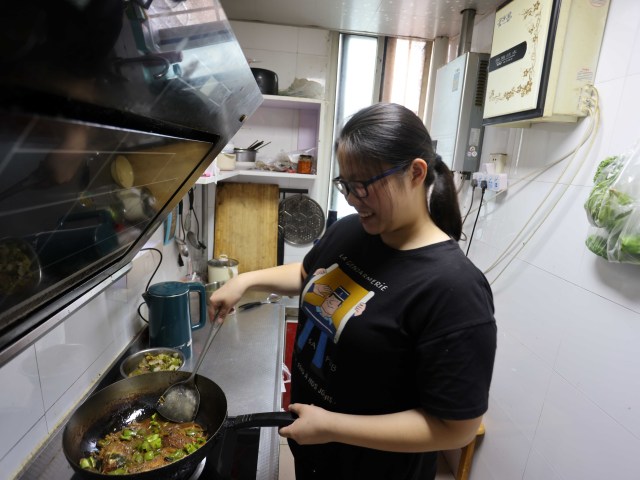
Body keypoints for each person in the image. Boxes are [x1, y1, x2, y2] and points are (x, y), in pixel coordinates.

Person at [208, 102, 497, 480]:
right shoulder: (352, 229)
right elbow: (311, 274)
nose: (351, 198)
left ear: (416, 172)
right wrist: (245, 280)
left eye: (363, 185)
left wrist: (333, 427)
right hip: (317, 457)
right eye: (345, 184)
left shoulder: (454, 289)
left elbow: (456, 428)